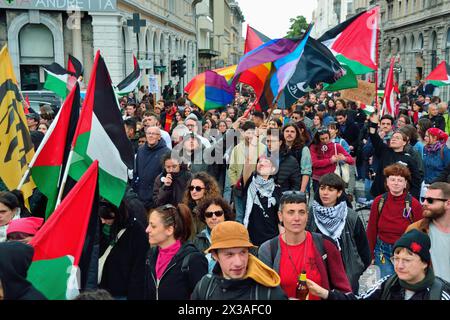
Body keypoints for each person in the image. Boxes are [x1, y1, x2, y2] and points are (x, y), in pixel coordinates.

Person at [306, 229, 450, 300]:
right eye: (396, 258)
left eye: (407, 260)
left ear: (424, 263)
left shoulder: (439, 293)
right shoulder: (388, 284)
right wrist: (324, 293)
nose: (399, 266)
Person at [258, 192, 352, 299]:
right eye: (291, 212)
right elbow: (263, 294)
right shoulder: (268, 250)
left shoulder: (326, 245)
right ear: (280, 216)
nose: (297, 218)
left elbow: (345, 292)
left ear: (307, 215)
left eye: (301, 212)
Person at [191, 221, 287, 300]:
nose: (239, 263)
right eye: (229, 254)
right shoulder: (205, 287)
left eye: (243, 252)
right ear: (215, 255)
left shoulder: (269, 293)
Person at [308, 174, 371, 293]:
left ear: (339, 192)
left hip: (346, 275)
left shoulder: (351, 216)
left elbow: (363, 249)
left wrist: (356, 270)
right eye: (322, 188)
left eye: (330, 189)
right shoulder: (312, 213)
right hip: (319, 273)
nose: (325, 193)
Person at [132, 204, 207, 300]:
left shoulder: (193, 259)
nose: (147, 230)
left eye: (153, 226)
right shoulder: (151, 255)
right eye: (148, 224)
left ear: (169, 230)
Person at [366, 164, 423, 278]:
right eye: (392, 179)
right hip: (382, 251)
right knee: (386, 280)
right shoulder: (379, 201)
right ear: (387, 182)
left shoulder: (414, 204)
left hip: (405, 251)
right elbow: (371, 229)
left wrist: (418, 254)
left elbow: (421, 232)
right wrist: (370, 255)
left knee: (402, 281)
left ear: (405, 183)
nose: (396, 183)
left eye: (400, 180)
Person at [97, 199, 149, 299]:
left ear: (116, 214)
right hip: (100, 290)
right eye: (101, 217)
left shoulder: (136, 232)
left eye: (106, 218)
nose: (103, 221)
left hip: (122, 293)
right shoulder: (99, 228)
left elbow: (139, 271)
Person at [368, 113, 422, 199]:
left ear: (404, 142)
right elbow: (373, 135)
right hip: (380, 195)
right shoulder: (384, 150)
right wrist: (373, 124)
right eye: (393, 138)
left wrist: (413, 198)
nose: (393, 139)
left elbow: (416, 181)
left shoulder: (409, 159)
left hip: (399, 197)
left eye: (397, 138)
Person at [407, 182, 450, 282]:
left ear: (448, 203)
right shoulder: (416, 230)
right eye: (423, 199)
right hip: (431, 292)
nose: (424, 203)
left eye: (430, 200)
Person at [228, 121, 266, 223]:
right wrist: (234, 183)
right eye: (247, 132)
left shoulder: (262, 148)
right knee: (240, 215)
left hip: (256, 186)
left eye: (252, 132)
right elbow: (231, 168)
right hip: (239, 186)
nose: (250, 135)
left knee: (253, 214)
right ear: (243, 133)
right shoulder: (237, 149)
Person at [242, 155, 282, 246]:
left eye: (266, 162)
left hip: (273, 238)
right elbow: (248, 161)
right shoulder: (250, 183)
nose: (261, 163)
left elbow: (280, 218)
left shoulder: (277, 189)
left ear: (273, 169)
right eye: (259, 162)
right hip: (253, 239)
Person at [193, 197, 235, 273]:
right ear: (204, 218)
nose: (214, 217)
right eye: (209, 215)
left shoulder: (236, 235)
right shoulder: (197, 241)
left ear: (225, 215)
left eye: (218, 213)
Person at [133, 126, 170, 210]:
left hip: (155, 199)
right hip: (140, 197)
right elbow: (136, 173)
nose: (151, 136)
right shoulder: (140, 150)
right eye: (149, 133)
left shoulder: (166, 153)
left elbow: (166, 176)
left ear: (159, 137)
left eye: (154, 134)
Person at [310, 128, 354, 193]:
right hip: (317, 179)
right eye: (322, 139)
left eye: (326, 138)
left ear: (329, 136)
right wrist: (330, 160)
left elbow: (351, 161)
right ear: (318, 138)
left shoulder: (336, 146)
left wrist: (344, 158)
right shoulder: (314, 146)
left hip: (331, 179)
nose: (325, 140)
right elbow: (314, 163)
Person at [182, 172, 222, 238]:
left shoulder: (213, 209)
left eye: (198, 188)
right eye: (191, 188)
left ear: (207, 189)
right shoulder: (188, 208)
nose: (194, 191)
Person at [266, 129, 301, 193]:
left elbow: (296, 185)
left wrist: (287, 199)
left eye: (273, 141)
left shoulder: (292, 161)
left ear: (280, 142)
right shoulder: (263, 159)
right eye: (268, 141)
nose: (269, 144)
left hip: (284, 199)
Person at [281, 124, 312, 193]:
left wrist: (302, 191)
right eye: (287, 131)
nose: (289, 133)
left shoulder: (304, 149)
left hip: (297, 186)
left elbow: (306, 172)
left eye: (292, 132)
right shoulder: (278, 148)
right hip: (281, 187)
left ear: (297, 134)